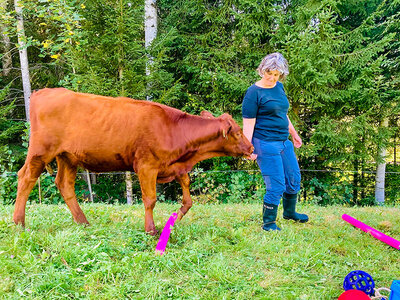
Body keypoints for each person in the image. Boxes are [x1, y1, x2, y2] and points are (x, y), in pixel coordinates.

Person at [242, 52, 308, 231]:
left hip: (283, 141)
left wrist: (293, 133)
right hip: (265, 142)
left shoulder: (279, 88)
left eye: (276, 75)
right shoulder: (253, 93)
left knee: (294, 178)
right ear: (262, 70)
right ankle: (269, 222)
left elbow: (283, 114)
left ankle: (290, 212)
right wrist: (247, 148)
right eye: (269, 73)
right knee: (276, 184)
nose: (272, 78)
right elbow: (248, 123)